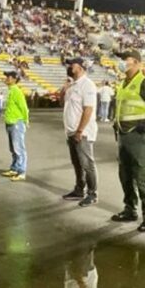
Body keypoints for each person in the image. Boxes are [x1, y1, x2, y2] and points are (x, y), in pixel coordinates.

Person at [112, 50, 145, 231]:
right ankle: (130, 209)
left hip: (140, 137)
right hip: (124, 137)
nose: (122, 63)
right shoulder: (123, 83)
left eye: (126, 60)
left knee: (143, 177)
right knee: (125, 176)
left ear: (137, 63)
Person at [62, 58, 100, 206]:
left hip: (82, 132)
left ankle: (92, 193)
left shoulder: (87, 85)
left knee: (87, 163)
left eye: (73, 65)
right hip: (71, 131)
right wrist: (64, 89)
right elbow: (64, 104)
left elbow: (88, 109)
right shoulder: (72, 85)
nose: (70, 67)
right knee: (77, 163)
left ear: (81, 67)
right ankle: (79, 189)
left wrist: (80, 130)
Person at [1, 71, 30, 181]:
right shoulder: (10, 91)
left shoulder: (17, 91)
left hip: (17, 123)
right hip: (10, 122)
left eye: (8, 77)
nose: (6, 78)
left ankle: (21, 171)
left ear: (14, 79)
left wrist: (26, 120)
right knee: (13, 148)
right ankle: (14, 168)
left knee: (19, 148)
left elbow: (24, 107)